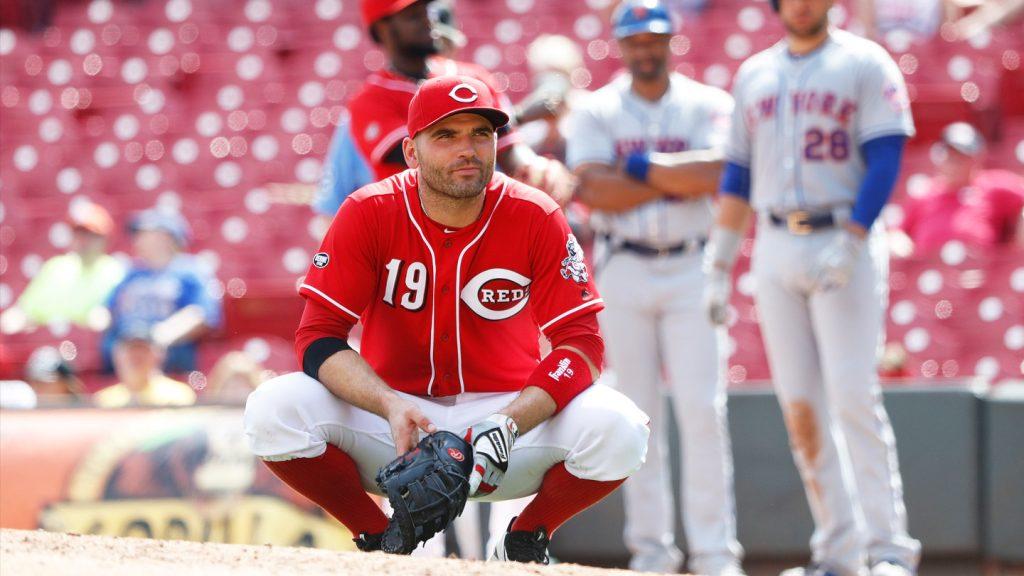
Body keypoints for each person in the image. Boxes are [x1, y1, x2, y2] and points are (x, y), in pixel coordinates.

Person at [243, 75, 650, 563]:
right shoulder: (368, 211)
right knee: (272, 409)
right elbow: (317, 338)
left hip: (504, 425)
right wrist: (388, 404)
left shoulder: (536, 214)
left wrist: (511, 421)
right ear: (412, 153)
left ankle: (527, 537)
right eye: (446, 135)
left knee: (623, 428)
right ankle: (381, 539)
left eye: (481, 133)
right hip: (397, 422)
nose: (469, 149)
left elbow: (582, 344)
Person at [703, 0, 922, 573]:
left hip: (840, 231)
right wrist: (719, 265)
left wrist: (854, 237)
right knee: (800, 406)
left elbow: (885, 155)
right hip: (774, 241)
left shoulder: (865, 62)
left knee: (852, 395)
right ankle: (838, 551)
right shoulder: (754, 72)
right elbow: (738, 175)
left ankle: (888, 549)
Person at [566, 2, 743, 575]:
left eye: (655, 38)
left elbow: (716, 174)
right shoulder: (595, 109)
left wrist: (636, 169)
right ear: (620, 45)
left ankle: (715, 554)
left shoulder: (707, 101)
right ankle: (651, 554)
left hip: (691, 264)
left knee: (701, 412)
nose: (646, 48)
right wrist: (671, 178)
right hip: (624, 265)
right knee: (636, 416)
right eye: (635, 39)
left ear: (671, 41)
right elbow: (593, 191)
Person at [347, 0, 575, 206]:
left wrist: (540, 172)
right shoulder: (370, 99)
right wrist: (518, 115)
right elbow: (428, 156)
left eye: (427, 9)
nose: (428, 19)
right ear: (383, 29)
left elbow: (511, 153)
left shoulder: (475, 78)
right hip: (409, 235)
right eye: (414, 15)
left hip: (482, 229)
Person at [103, 209, 222, 374]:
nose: (136, 239)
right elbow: (106, 312)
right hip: (125, 351)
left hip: (170, 356)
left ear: (166, 235)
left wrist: (156, 338)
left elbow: (201, 315)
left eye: (144, 233)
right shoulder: (131, 272)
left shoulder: (191, 270)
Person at [891, 122, 1024, 257]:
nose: (953, 163)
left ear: (975, 159)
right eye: (950, 156)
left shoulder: (992, 186)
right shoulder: (923, 194)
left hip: (980, 273)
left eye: (961, 157)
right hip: (930, 272)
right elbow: (897, 233)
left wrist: (1018, 250)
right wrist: (898, 242)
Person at [1, 201, 124, 335]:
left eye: (90, 235)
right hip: (50, 344)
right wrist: (15, 318)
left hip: (92, 348)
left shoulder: (116, 271)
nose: (83, 240)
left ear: (104, 239)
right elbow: (26, 310)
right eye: (78, 233)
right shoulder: (55, 267)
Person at [94, 324, 197, 408]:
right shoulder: (104, 400)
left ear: (159, 355)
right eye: (130, 350)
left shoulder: (178, 395)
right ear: (117, 355)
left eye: (143, 349)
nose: (136, 356)